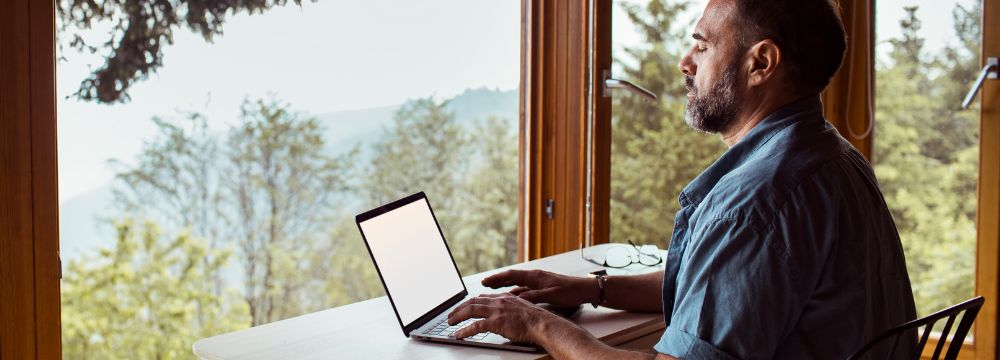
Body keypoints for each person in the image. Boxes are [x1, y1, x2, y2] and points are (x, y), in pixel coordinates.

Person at [446, 0, 918, 358]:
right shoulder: (833, 158)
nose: (685, 62)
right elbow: (723, 288)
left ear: (761, 63)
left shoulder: (755, 204)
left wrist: (536, 324)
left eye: (703, 45)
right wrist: (593, 288)